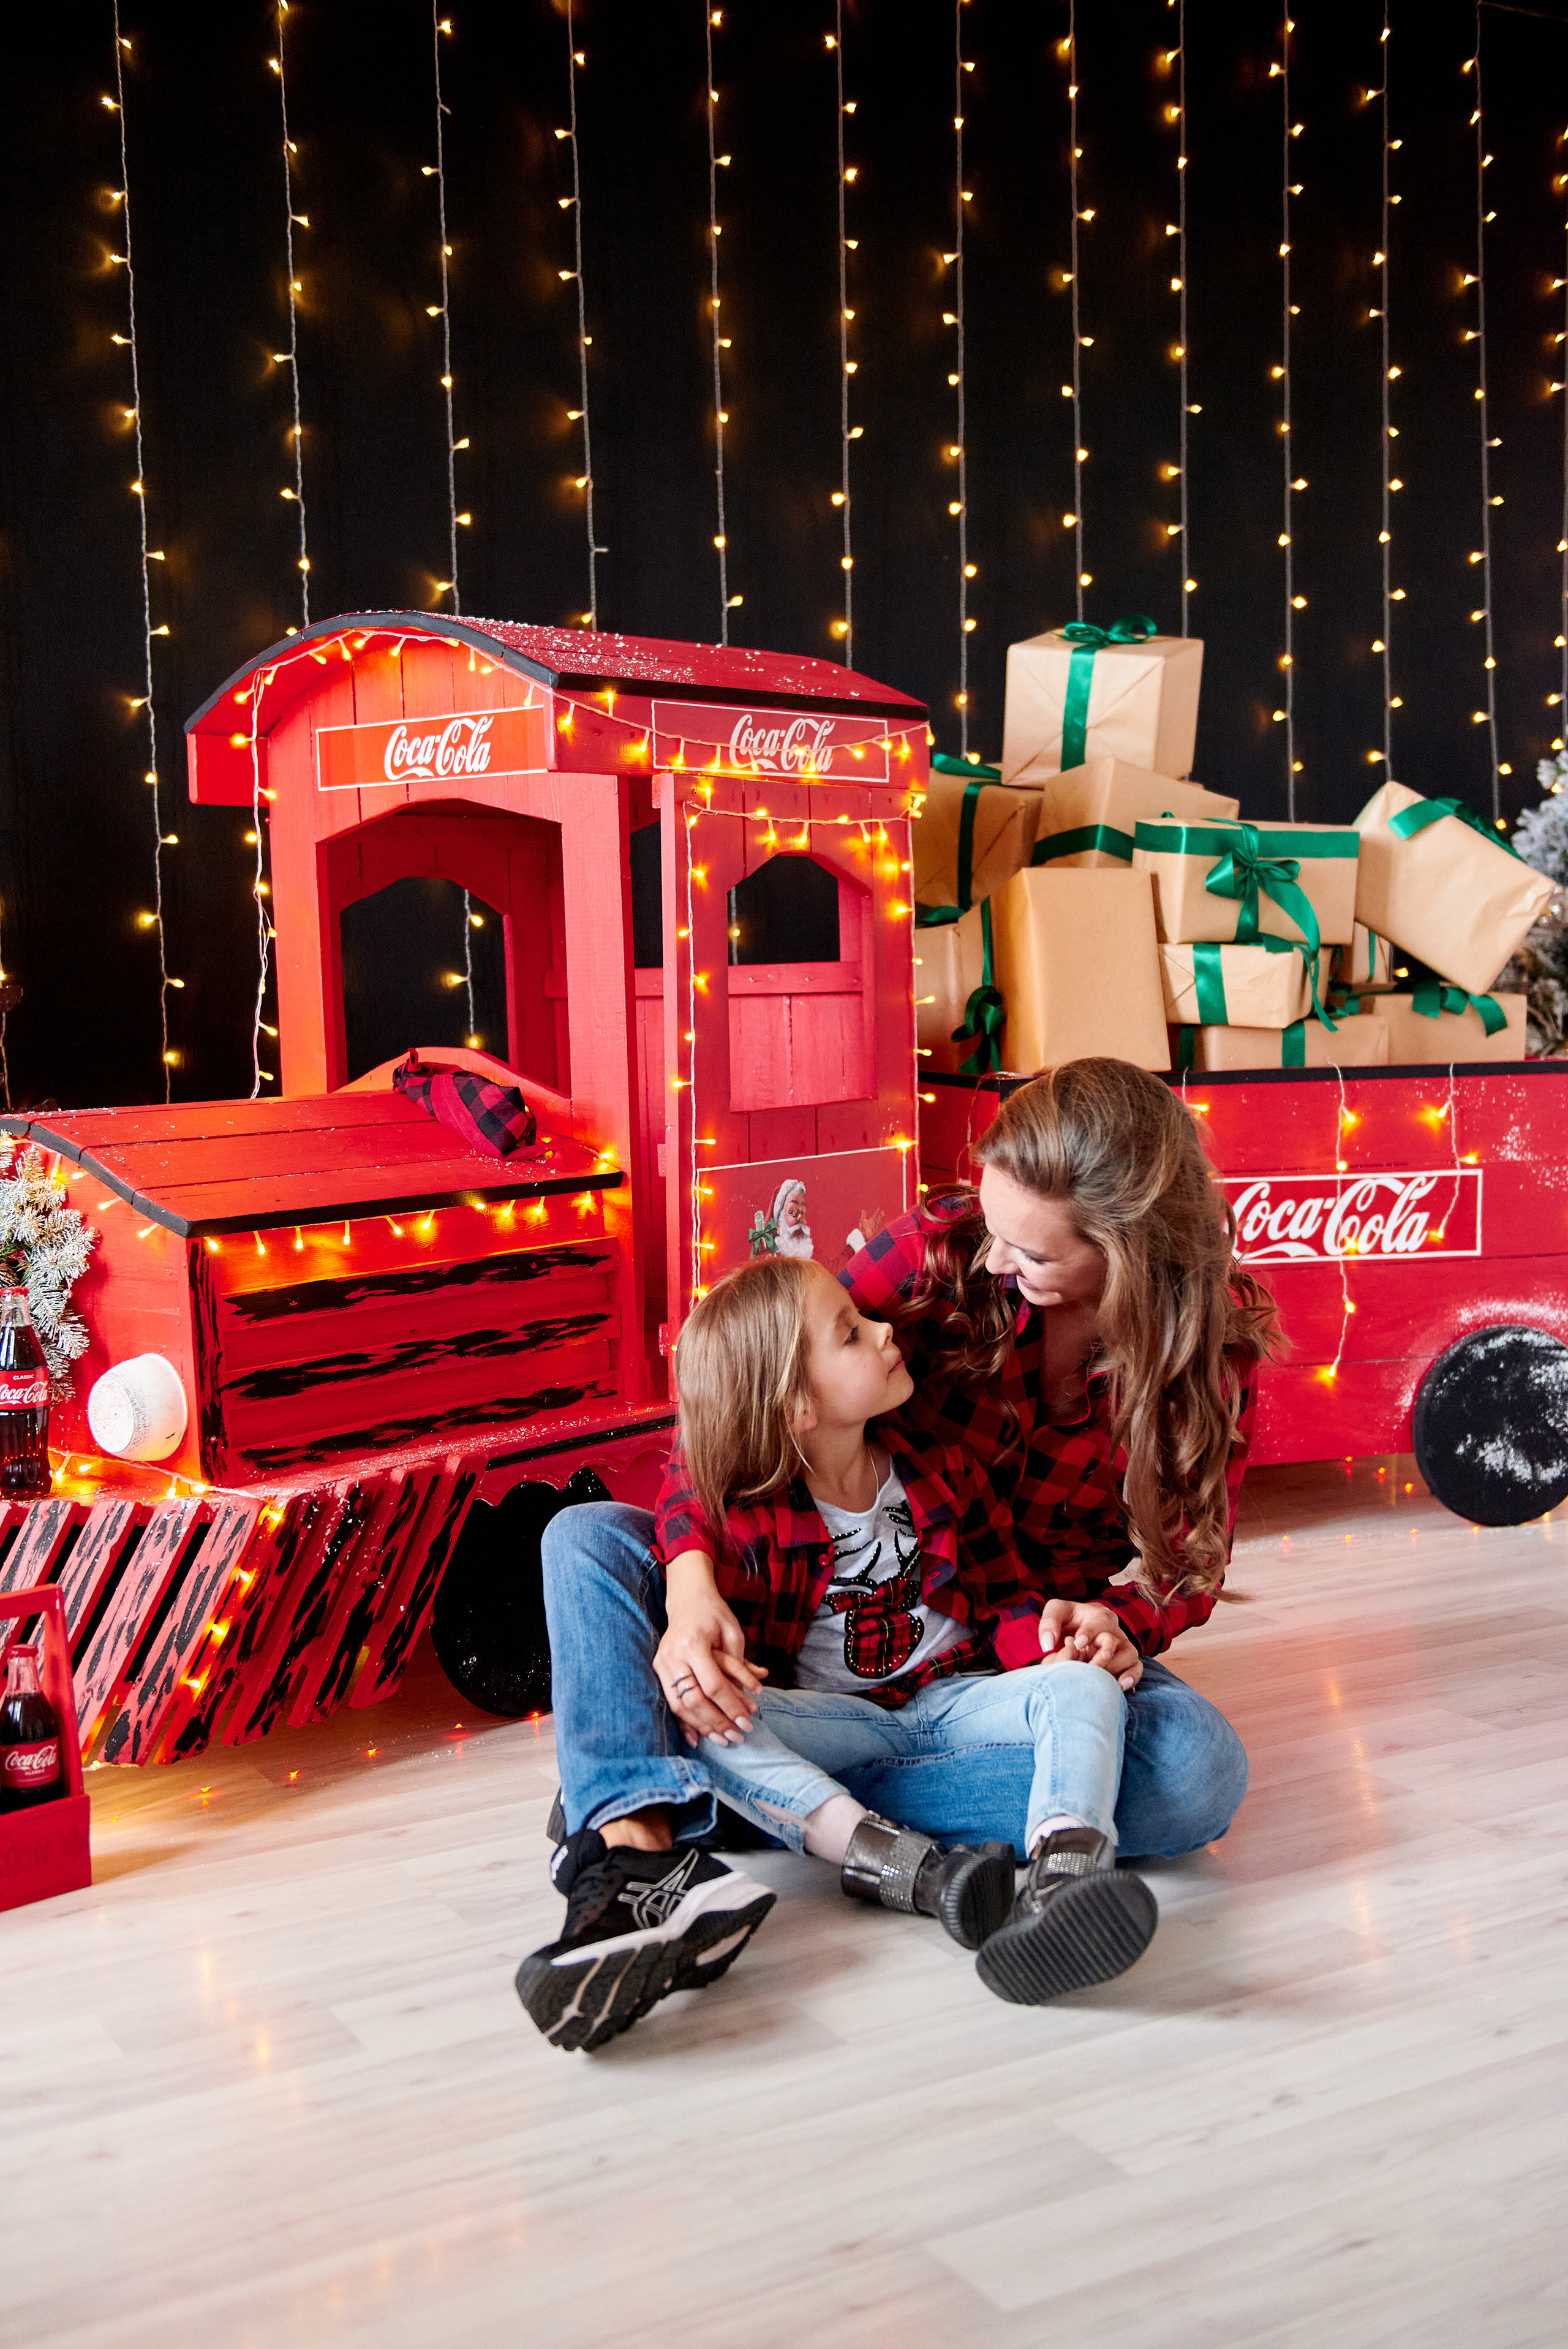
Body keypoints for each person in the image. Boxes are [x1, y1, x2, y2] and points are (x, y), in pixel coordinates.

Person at [523, 1059, 1275, 2046]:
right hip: (797, 1634)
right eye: (994, 1227)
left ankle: (712, 1787)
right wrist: (691, 1582)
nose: (995, 1259)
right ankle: (637, 1853)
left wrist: (1114, 1624)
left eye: (1031, 1251)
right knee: (586, 1537)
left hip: (1008, 1650)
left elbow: (1187, 1563)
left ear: (1127, 1250)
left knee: (1198, 1772)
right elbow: (744, 1399)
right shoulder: (937, 1256)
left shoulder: (1207, 1353)